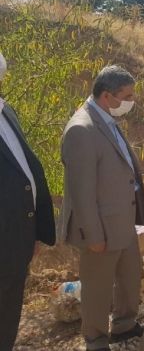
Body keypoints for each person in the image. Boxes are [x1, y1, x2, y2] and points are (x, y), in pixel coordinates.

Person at [58, 65, 144, 351]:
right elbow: (81, 192)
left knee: (130, 277)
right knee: (97, 288)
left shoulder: (106, 119)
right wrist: (93, 235)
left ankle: (124, 325)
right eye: (127, 96)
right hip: (100, 228)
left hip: (122, 220)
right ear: (107, 95)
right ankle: (96, 339)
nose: (131, 102)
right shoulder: (81, 129)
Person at [0, 52, 56, 350]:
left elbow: (25, 174)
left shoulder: (7, 112)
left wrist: (34, 230)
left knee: (8, 315)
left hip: (16, 240)